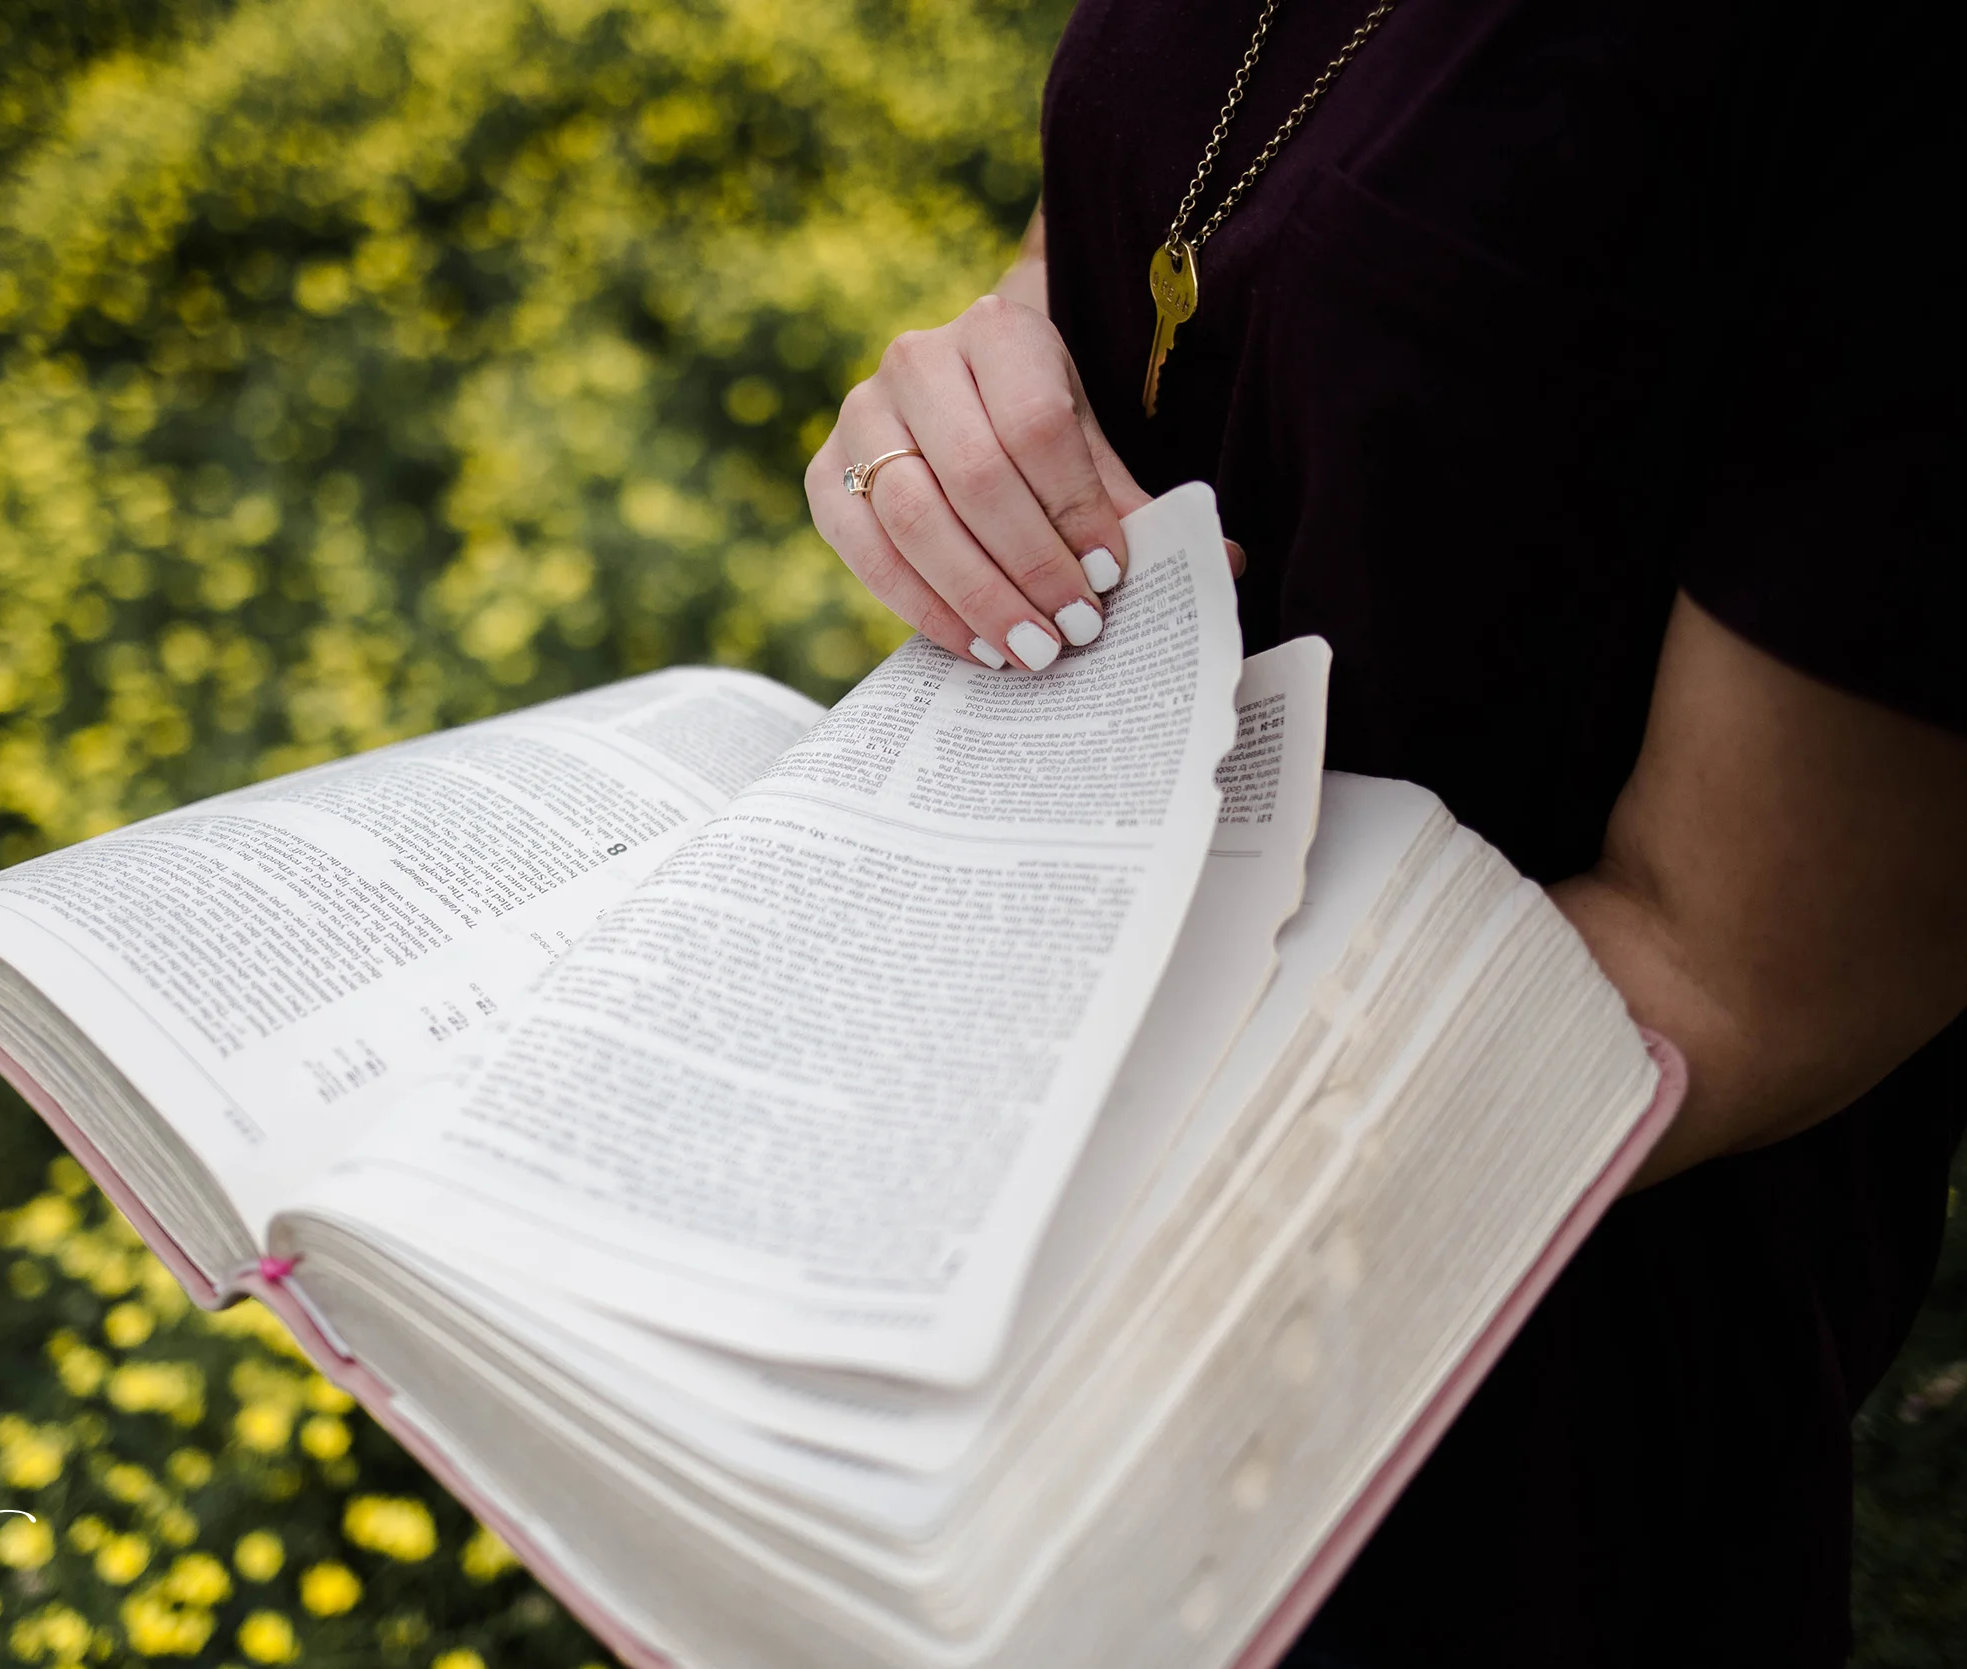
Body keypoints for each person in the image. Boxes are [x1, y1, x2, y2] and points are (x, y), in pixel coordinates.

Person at [805, 2, 1967, 1662]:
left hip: (1485, 1305)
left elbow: (1740, 969)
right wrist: (979, 420)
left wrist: (1004, 1140)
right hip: (1030, 1074)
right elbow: (1151, 215)